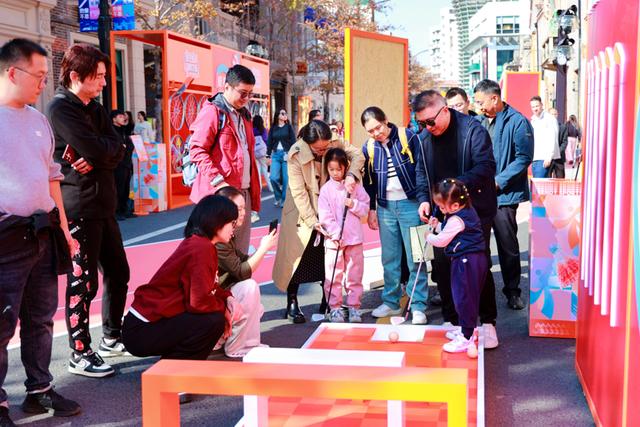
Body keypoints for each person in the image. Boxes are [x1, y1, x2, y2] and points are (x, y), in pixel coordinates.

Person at [0, 37, 81, 427]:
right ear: (12, 73)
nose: (43, 84)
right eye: (38, 75)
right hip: (5, 236)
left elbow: (53, 179)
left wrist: (64, 230)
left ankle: (39, 390)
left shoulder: (38, 121)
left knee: (42, 318)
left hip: (43, 233)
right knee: (1, 323)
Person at [46, 43, 130, 378]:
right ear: (75, 76)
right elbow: (99, 148)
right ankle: (79, 351)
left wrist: (99, 156)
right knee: (83, 281)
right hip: (78, 206)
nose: (104, 83)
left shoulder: (94, 108)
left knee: (119, 272)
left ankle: (111, 336)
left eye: (105, 76)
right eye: (98, 77)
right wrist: (102, 153)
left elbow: (118, 147)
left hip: (103, 204)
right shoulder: (60, 108)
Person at [412, 91, 498, 346]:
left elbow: (486, 167)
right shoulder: (424, 138)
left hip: (473, 211)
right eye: (421, 123)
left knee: (476, 267)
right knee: (443, 267)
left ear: (445, 110)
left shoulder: (472, 130)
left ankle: (488, 322)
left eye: (430, 121)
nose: (428, 128)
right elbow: (421, 172)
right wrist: (424, 199)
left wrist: (453, 188)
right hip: (441, 212)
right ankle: (453, 319)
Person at [122, 195, 236, 360]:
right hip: (142, 328)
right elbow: (199, 303)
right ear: (217, 221)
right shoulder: (201, 248)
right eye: (232, 223)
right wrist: (224, 309)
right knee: (212, 321)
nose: (234, 229)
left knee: (212, 318)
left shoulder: (200, 244)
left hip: (141, 325)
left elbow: (208, 287)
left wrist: (226, 298)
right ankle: (176, 370)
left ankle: (174, 367)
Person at [272, 120, 364, 323]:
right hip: (301, 212)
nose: (323, 152)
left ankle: (328, 301)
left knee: (328, 258)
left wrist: (351, 175)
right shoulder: (295, 153)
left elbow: (358, 155)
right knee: (297, 258)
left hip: (330, 208)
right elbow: (298, 192)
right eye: (318, 149)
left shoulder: (334, 142)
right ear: (307, 143)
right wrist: (312, 220)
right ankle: (292, 301)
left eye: (325, 148)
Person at [360, 106, 429, 324]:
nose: (376, 133)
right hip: (385, 207)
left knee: (416, 257)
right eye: (370, 131)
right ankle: (391, 301)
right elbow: (369, 182)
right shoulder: (369, 147)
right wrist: (372, 209)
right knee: (389, 258)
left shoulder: (407, 136)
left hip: (411, 204)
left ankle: (418, 305)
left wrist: (424, 200)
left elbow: (422, 170)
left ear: (386, 120)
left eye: (378, 128)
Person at [473, 79, 533, 311]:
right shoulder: (478, 121)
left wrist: (499, 181)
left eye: (481, 102)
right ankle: (482, 291)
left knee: (507, 246)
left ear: (494, 98)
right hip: (480, 194)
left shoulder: (517, 121)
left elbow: (523, 158)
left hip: (504, 195)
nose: (478, 106)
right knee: (479, 246)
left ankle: (513, 291)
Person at [188, 64, 261, 253]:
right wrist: (219, 182)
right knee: (217, 254)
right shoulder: (213, 112)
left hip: (242, 193)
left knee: (240, 252)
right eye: (243, 93)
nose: (246, 98)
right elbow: (196, 149)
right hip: (220, 195)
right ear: (227, 86)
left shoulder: (245, 115)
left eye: (250, 94)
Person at [213, 186, 277, 355]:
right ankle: (236, 346)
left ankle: (222, 338)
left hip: (216, 297)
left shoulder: (226, 234)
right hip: (209, 303)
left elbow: (243, 262)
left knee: (255, 305)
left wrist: (263, 248)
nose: (243, 213)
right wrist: (263, 249)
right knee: (248, 289)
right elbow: (241, 272)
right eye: (239, 208)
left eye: (244, 208)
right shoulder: (218, 239)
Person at [426, 179, 488, 353]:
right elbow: (449, 230)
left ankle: (466, 337)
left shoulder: (457, 219)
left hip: (466, 262)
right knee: (464, 297)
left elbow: (442, 240)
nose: (440, 209)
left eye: (442, 206)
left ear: (454, 205)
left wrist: (428, 236)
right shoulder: (463, 212)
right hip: (471, 260)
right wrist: (438, 225)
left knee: (464, 298)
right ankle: (466, 330)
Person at [318, 148, 370, 323]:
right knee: (333, 275)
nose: (335, 173)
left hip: (354, 238)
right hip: (334, 241)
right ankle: (334, 307)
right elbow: (324, 216)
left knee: (354, 274)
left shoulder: (355, 186)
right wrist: (335, 233)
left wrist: (353, 204)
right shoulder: (325, 190)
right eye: (331, 169)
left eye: (338, 169)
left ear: (345, 167)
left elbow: (365, 207)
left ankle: (354, 306)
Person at [266, 109, 296, 207]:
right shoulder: (273, 128)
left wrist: (291, 154)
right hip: (275, 155)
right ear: (277, 115)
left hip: (286, 155)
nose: (285, 115)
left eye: (285, 113)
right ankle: (278, 197)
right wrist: (268, 155)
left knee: (286, 180)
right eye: (282, 113)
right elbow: (269, 142)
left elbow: (293, 141)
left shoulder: (288, 127)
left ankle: (284, 200)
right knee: (273, 178)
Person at [111, 109, 136, 220]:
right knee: (118, 188)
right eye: (120, 116)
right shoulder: (111, 131)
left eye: (124, 116)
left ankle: (125, 210)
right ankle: (116, 212)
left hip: (127, 163)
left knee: (126, 188)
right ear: (114, 119)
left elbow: (129, 146)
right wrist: (123, 147)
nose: (123, 118)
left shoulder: (124, 130)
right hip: (118, 165)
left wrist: (126, 147)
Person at [529, 96, 559, 178]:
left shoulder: (549, 119)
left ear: (542, 105)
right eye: (533, 107)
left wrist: (549, 157)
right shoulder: (533, 120)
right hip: (535, 158)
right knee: (536, 183)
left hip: (544, 158)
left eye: (537, 106)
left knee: (540, 183)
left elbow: (553, 138)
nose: (535, 109)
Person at [548, 108, 569, 178]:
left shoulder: (563, 127)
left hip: (559, 157)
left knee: (560, 179)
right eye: (552, 114)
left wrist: (557, 152)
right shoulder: (545, 127)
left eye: (555, 114)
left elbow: (565, 142)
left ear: (557, 115)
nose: (553, 116)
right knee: (546, 179)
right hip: (548, 158)